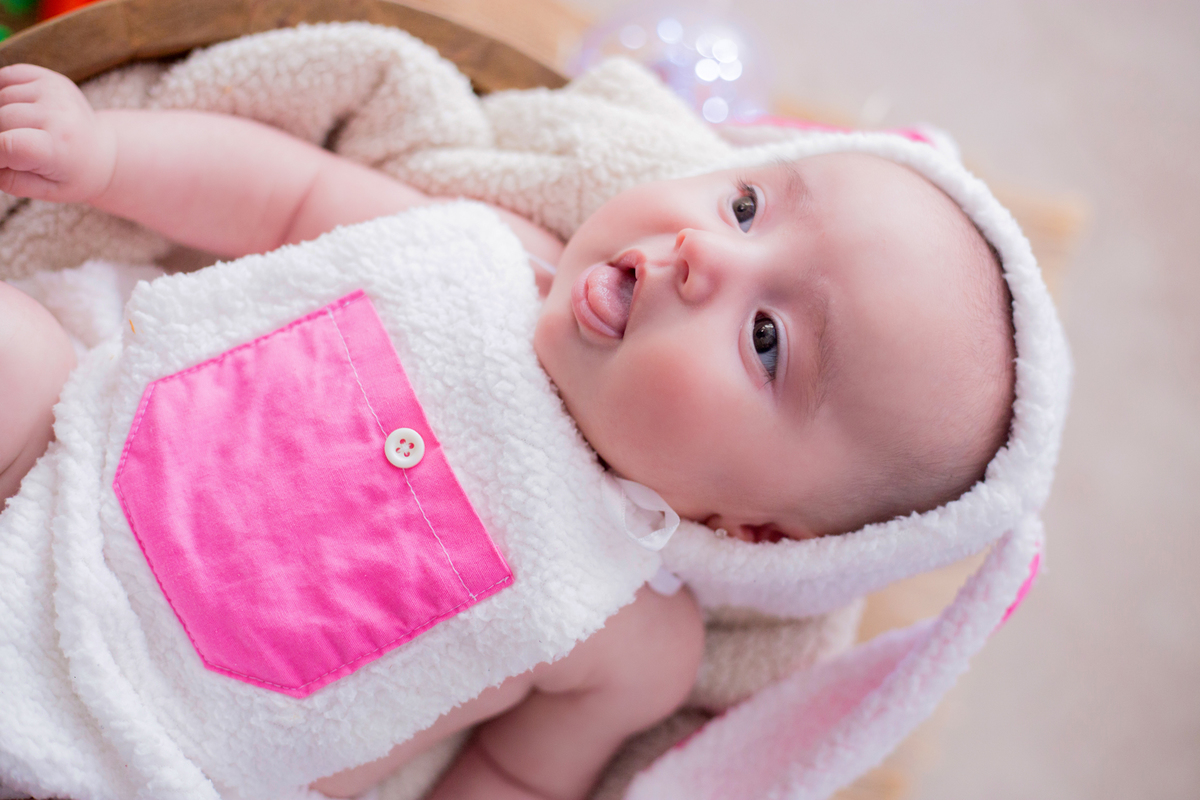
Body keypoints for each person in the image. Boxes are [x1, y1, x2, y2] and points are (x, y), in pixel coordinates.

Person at [0, 62, 1014, 800]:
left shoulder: (633, 635)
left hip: (159, 763)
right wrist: (109, 156)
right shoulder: (483, 251)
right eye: (747, 205)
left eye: (765, 337)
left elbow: (517, 777)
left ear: (757, 528)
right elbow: (285, 195)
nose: (704, 251)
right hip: (56, 461)